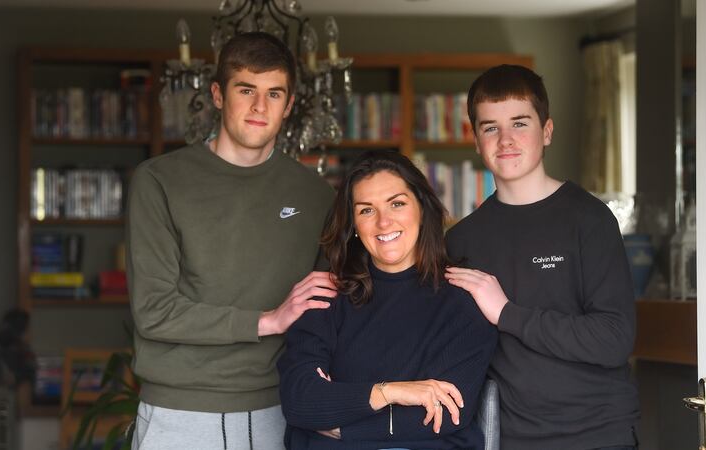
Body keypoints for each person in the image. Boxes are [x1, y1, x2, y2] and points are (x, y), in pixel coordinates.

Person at [126, 32, 336, 450]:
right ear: (219, 95)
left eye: (274, 93)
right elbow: (154, 311)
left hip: (280, 410)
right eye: (247, 90)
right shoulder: (159, 181)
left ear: (290, 105)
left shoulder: (317, 196)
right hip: (179, 413)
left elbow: (329, 307)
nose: (260, 107)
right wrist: (268, 320)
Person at [444, 64, 640, 450]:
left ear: (546, 131)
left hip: (598, 435)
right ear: (476, 139)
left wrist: (507, 313)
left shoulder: (589, 219)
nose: (505, 140)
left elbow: (614, 339)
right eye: (490, 127)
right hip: (510, 439)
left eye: (520, 123)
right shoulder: (462, 239)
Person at [277, 151, 497, 450]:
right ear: (353, 223)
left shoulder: (462, 298)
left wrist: (342, 420)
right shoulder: (326, 293)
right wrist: (390, 392)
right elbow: (301, 401)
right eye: (366, 210)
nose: (384, 222)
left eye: (397, 204)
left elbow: (445, 414)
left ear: (422, 207)